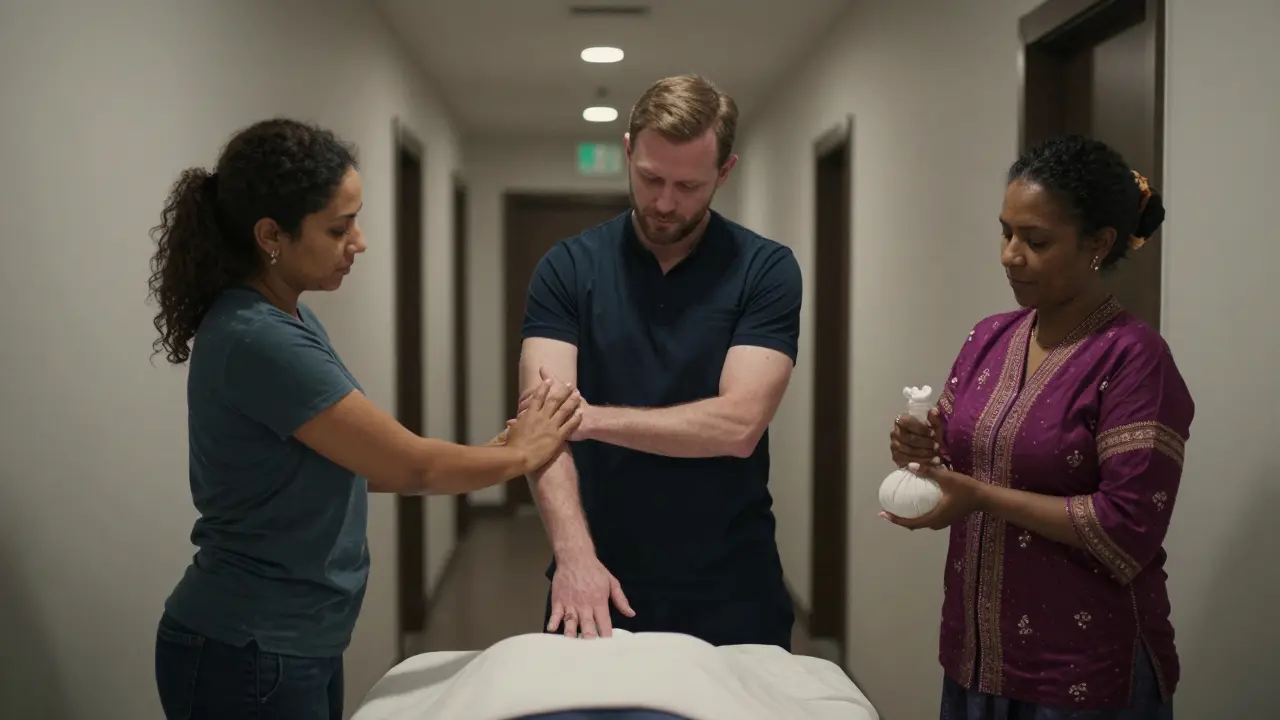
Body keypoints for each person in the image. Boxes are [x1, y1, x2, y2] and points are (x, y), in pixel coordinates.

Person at [147, 118, 582, 720]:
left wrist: (490, 454)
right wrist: (519, 456)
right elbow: (410, 465)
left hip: (292, 643)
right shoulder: (256, 338)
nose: (361, 241)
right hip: (247, 648)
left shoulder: (290, 318)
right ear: (271, 234)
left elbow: (356, 459)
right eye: (339, 226)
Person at [885, 134, 1191, 718]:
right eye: (1006, 232)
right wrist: (918, 449)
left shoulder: (1134, 357)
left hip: (1081, 672)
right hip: (976, 656)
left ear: (1098, 244)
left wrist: (974, 495)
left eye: (1036, 240)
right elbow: (956, 457)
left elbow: (1127, 526)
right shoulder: (991, 337)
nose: (1009, 254)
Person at [513, 75, 802, 648]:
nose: (665, 202)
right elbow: (540, 436)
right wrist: (573, 556)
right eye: (649, 178)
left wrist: (589, 420)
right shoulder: (568, 268)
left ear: (725, 172)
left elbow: (738, 426)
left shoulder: (765, 271)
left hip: (732, 583)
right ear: (627, 151)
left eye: (689, 185)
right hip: (595, 576)